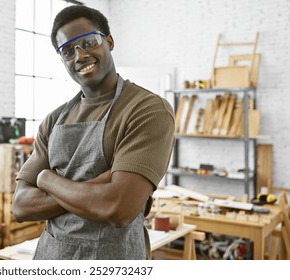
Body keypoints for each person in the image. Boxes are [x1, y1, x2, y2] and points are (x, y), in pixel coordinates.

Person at [12, 5, 175, 260]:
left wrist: (47, 180)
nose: (79, 56)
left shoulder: (147, 110)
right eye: (67, 51)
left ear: (108, 41)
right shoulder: (53, 120)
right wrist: (97, 186)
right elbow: (21, 206)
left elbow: (117, 207)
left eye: (88, 42)